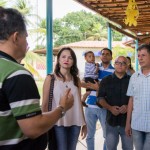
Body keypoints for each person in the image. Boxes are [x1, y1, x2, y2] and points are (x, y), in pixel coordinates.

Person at [0, 7, 73, 150]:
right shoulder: (17, 75)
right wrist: (62, 108)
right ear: (16, 37)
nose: (27, 43)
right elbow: (32, 128)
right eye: (26, 37)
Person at [42, 47, 87, 150]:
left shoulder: (76, 80)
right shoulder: (50, 78)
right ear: (58, 60)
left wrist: (84, 123)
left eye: (70, 57)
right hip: (58, 121)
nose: (66, 60)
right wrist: (43, 125)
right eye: (63, 57)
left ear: (73, 61)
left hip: (75, 121)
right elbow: (44, 104)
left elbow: (79, 103)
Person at [97, 56, 133, 150]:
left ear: (127, 66)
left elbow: (136, 99)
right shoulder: (106, 80)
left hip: (127, 124)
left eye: (123, 63)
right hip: (111, 122)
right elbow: (100, 98)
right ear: (114, 64)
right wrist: (110, 108)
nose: (120, 65)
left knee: (128, 148)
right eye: (118, 63)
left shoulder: (132, 81)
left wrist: (128, 106)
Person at [81, 48, 114, 150]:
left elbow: (112, 90)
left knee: (106, 135)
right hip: (90, 106)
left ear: (111, 57)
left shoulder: (114, 71)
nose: (104, 56)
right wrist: (90, 85)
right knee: (90, 136)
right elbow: (82, 82)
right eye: (103, 54)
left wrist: (98, 88)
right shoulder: (93, 68)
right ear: (100, 56)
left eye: (107, 54)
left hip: (104, 107)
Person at [125, 44, 150, 150]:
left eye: (143, 55)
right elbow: (131, 100)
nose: (140, 58)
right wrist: (127, 123)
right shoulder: (134, 77)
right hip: (136, 124)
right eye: (138, 56)